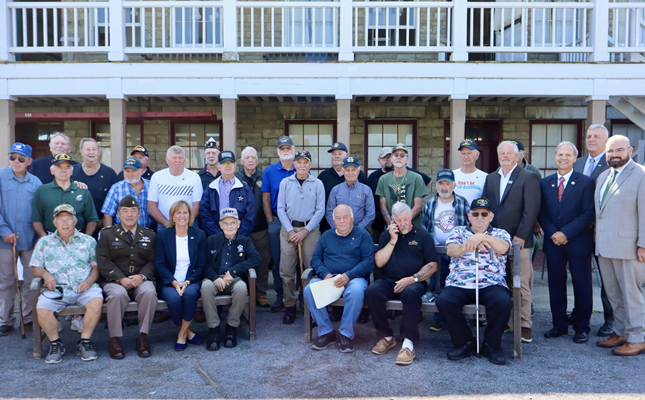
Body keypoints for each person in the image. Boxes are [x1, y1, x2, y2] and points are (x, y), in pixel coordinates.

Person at [437, 198, 513, 365]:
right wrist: (468, 244)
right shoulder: (458, 232)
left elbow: (504, 248)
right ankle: (464, 342)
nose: (480, 217)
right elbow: (451, 250)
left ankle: (491, 345)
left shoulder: (500, 233)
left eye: (484, 214)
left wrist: (481, 237)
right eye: (475, 214)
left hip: (491, 283)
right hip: (460, 283)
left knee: (503, 301)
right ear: (469, 216)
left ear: (490, 216)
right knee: (444, 300)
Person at [481, 141, 540, 343]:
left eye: (509, 153)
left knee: (521, 283)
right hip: (496, 242)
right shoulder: (490, 178)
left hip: (519, 241)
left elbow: (531, 209)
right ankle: (505, 321)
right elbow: (487, 210)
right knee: (500, 282)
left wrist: (522, 235)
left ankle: (524, 325)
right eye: (501, 153)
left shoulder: (528, 177)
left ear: (517, 156)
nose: (505, 156)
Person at [365, 202, 438, 366]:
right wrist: (392, 240)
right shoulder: (387, 235)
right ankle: (386, 336)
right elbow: (379, 262)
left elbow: (433, 265)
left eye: (406, 219)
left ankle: (408, 342)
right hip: (390, 282)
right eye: (399, 220)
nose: (403, 223)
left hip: (414, 282)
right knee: (372, 291)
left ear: (411, 216)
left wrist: (412, 279)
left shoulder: (422, 235)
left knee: (411, 293)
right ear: (393, 220)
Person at [30, 204, 103, 364]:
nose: (65, 223)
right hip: (56, 289)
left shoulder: (88, 241)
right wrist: (46, 274)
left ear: (75, 221)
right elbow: (37, 268)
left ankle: (84, 342)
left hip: (83, 287)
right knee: (42, 308)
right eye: (61, 220)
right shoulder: (44, 242)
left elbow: (96, 267)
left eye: (68, 219)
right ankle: (56, 344)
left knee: (96, 301)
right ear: (54, 222)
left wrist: (89, 281)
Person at [538, 142, 595, 344]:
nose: (563, 158)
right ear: (555, 157)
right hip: (554, 242)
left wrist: (566, 233)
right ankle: (559, 325)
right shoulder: (545, 183)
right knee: (555, 285)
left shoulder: (586, 182)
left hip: (578, 242)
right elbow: (541, 212)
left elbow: (588, 212)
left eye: (567, 155)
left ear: (575, 158)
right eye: (560, 154)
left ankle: (581, 327)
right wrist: (554, 232)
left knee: (582, 285)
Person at [594, 135, 645, 356]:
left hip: (629, 247)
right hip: (604, 247)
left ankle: (637, 338)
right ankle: (620, 332)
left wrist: (643, 245)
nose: (614, 155)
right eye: (610, 151)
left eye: (619, 150)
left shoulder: (641, 174)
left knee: (631, 294)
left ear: (630, 150)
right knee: (614, 294)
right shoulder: (603, 176)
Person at [304, 205, 374, 353]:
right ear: (333, 220)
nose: (342, 221)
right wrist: (326, 275)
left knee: (355, 291)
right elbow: (315, 259)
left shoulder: (363, 235)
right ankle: (326, 331)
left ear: (352, 218)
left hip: (354, 278)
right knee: (309, 289)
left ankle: (345, 334)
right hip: (330, 278)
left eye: (345, 217)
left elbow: (368, 262)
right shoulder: (327, 236)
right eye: (338, 218)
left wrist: (348, 276)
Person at [96, 195, 157, 359]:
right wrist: (120, 278)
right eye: (125, 211)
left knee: (149, 293)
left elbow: (153, 261)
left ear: (139, 213)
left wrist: (142, 276)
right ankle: (114, 339)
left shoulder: (149, 235)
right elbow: (103, 261)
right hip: (115, 280)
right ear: (118, 213)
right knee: (117, 294)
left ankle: (143, 337)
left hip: (140, 279)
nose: (129, 215)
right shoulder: (107, 235)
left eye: (133, 211)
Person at [571, 123, 613, 337]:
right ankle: (579, 312)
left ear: (606, 141)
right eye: (589, 136)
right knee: (580, 276)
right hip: (578, 230)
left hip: (601, 230)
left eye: (597, 136)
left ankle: (610, 319)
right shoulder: (577, 163)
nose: (591, 139)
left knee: (607, 278)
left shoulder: (612, 163)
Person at [202, 208, 260, 351]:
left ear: (239, 224)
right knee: (206, 288)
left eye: (233, 223)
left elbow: (256, 259)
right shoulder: (211, 240)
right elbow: (202, 263)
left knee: (241, 289)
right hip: (214, 278)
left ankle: (231, 327)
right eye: (226, 223)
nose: (229, 227)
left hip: (234, 279)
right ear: (220, 225)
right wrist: (215, 277)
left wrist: (233, 272)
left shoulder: (245, 241)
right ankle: (214, 328)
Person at [277, 150, 325, 325]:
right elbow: (280, 208)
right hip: (288, 229)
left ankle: (309, 306)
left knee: (310, 269)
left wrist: (305, 231)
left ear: (310, 165)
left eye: (306, 162)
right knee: (287, 270)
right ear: (294, 164)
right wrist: (291, 231)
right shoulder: (285, 182)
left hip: (310, 230)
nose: (302, 165)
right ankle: (290, 306)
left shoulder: (317, 183)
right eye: (299, 162)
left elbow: (320, 210)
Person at [0, 143, 42, 336]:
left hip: (29, 239)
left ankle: (30, 318)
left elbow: (40, 212)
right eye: (13, 158)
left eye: (21, 158)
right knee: (6, 281)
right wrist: (4, 230)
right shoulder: (0, 176)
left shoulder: (36, 183)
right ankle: (5, 320)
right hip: (4, 240)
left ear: (29, 161)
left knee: (31, 282)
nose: (16, 162)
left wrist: (39, 236)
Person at [422, 169, 470, 332]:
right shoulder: (430, 203)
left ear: (454, 185)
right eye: (441, 184)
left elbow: (469, 227)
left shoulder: (462, 203)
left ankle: (461, 319)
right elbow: (425, 226)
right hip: (437, 251)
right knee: (438, 286)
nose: (444, 187)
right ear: (436, 185)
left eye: (447, 184)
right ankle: (439, 319)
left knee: (459, 286)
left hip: (458, 252)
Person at [155, 200, 206, 351]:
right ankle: (188, 332)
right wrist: (174, 282)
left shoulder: (199, 235)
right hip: (169, 281)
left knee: (190, 295)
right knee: (174, 298)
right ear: (172, 216)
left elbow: (201, 264)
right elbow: (160, 264)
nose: (182, 216)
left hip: (192, 280)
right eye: (178, 213)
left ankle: (181, 334)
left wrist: (188, 282)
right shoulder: (163, 235)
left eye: (185, 212)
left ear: (190, 216)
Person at [261, 136, 296, 312]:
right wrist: (269, 220)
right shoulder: (270, 171)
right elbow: (265, 197)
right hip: (276, 220)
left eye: (288, 148)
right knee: (277, 259)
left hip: (297, 221)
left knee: (296, 259)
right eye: (282, 149)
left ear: (294, 150)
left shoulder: (301, 168)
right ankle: (281, 296)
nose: (285, 151)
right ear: (278, 152)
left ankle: (298, 296)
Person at [369, 147, 432, 241]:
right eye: (396, 155)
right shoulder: (383, 179)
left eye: (402, 155)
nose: (399, 157)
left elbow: (418, 207)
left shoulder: (417, 178)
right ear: (391, 158)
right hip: (392, 230)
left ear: (407, 159)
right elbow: (383, 207)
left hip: (413, 229)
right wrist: (392, 224)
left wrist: (404, 223)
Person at [235, 146, 271, 308]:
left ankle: (261, 293)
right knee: (242, 260)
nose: (250, 160)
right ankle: (245, 293)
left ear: (257, 160)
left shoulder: (264, 176)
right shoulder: (235, 178)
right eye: (247, 158)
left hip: (261, 227)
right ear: (241, 161)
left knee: (263, 261)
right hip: (241, 229)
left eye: (253, 158)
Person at [31, 153, 99, 238]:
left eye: (67, 167)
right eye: (59, 167)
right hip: (51, 239)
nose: (64, 170)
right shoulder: (42, 191)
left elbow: (92, 220)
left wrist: (85, 239)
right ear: (52, 170)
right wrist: (44, 239)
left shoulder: (83, 191)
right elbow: (36, 220)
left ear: (72, 171)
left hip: (77, 238)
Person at [200, 150, 254, 237]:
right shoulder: (211, 188)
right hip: (216, 238)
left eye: (231, 163)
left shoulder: (244, 189)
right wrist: (218, 235)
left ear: (235, 166)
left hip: (240, 238)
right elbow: (205, 214)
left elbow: (250, 215)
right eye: (224, 163)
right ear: (219, 166)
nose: (228, 166)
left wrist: (236, 235)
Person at [317, 142, 369, 233]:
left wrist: (358, 229)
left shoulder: (360, 176)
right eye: (334, 154)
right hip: (330, 228)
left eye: (340, 153)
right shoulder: (323, 176)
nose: (336, 156)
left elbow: (368, 209)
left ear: (347, 155)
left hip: (358, 230)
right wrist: (338, 228)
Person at [148, 146, 203, 231]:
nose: (177, 160)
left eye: (180, 158)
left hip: (189, 225)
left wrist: (183, 224)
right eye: (174, 158)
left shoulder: (194, 177)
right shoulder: (157, 177)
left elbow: (197, 206)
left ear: (184, 160)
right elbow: (152, 207)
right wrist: (167, 224)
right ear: (167, 160)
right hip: (164, 226)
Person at [71, 138, 118, 227]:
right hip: (75, 228)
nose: (91, 152)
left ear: (99, 151)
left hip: (102, 226)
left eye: (94, 149)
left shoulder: (110, 174)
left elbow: (117, 202)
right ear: (81, 151)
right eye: (88, 149)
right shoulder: (71, 172)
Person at [325, 156, 375, 231]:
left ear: (358, 171)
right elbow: (329, 212)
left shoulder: (366, 190)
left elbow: (370, 214)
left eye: (353, 170)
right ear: (343, 171)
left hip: (360, 232)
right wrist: (339, 229)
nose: (350, 173)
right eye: (347, 170)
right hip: (339, 232)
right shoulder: (335, 190)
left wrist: (357, 230)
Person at [102, 157, 151, 228]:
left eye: (133, 171)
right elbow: (107, 214)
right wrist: (109, 235)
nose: (130, 174)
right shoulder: (116, 188)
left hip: (147, 233)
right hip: (121, 235)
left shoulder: (151, 186)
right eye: (127, 171)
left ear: (141, 171)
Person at [452, 139, 488, 205]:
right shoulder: (452, 175)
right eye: (463, 153)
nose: (466, 157)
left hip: (476, 215)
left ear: (477, 155)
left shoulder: (485, 177)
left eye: (469, 153)